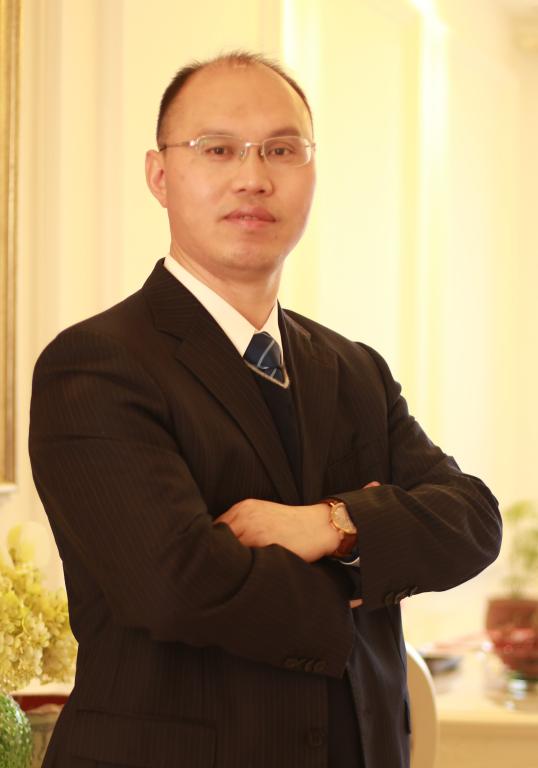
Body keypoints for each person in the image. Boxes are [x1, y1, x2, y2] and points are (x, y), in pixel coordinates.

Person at [29, 51, 501, 768]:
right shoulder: (96, 364)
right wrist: (368, 568)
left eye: (282, 150)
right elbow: (178, 586)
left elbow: (472, 520)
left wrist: (331, 526)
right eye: (217, 149)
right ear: (159, 175)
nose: (253, 177)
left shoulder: (355, 369)